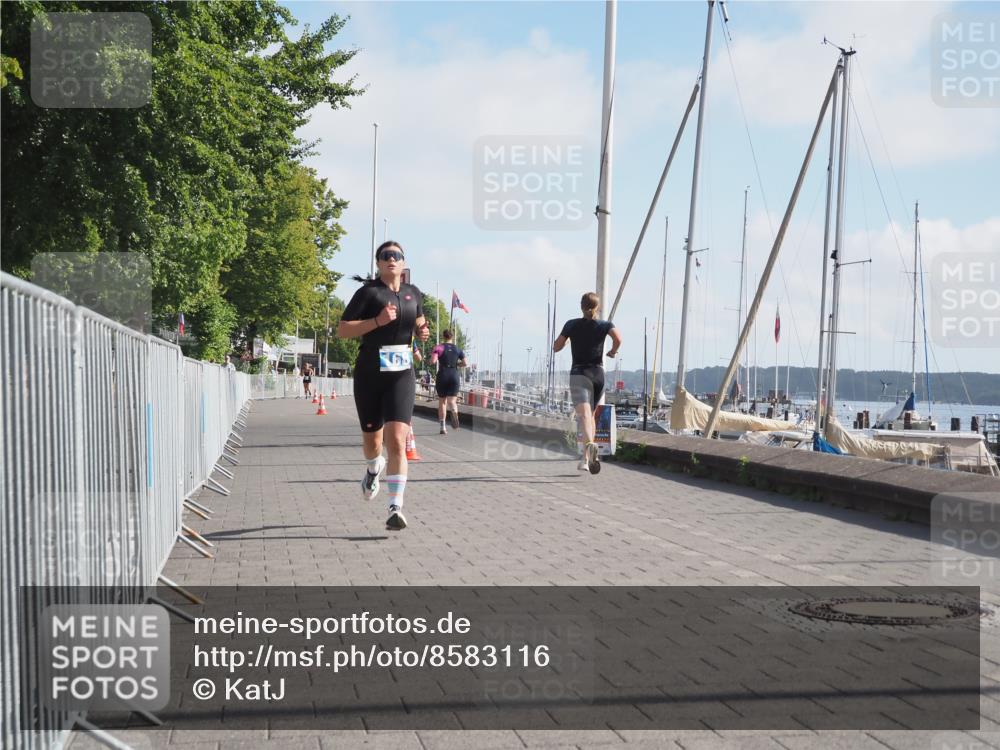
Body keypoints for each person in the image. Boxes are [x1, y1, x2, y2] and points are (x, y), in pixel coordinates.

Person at [337, 241, 430, 530]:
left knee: (398, 440)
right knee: (373, 443)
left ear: (404, 264)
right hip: (369, 373)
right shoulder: (368, 293)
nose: (392, 259)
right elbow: (343, 330)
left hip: (401, 374)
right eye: (386, 256)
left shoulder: (413, 294)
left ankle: (395, 507)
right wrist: (377, 321)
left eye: (397, 256)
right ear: (378, 263)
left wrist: (423, 332)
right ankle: (372, 468)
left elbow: (420, 321)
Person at [552, 292, 622, 474]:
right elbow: (618, 339)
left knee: (583, 417)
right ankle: (586, 458)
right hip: (598, 375)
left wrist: (567, 340)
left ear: (581, 306)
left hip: (579, 374)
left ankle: (590, 446)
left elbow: (556, 347)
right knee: (589, 417)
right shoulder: (605, 325)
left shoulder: (571, 324)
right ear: (597, 308)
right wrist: (613, 352)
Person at [431, 330, 466, 434]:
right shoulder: (458, 349)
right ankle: (454, 411)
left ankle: (443, 427)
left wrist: (429, 359)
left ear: (443, 336)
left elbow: (433, 361)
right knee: (452, 401)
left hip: (443, 374)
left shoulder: (439, 347)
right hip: (454, 374)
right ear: (452, 337)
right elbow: (465, 363)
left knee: (442, 401)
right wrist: (457, 365)